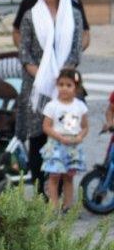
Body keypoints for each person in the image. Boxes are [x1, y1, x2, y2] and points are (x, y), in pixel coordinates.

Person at [17, 0, 83, 194]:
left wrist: (62, 78)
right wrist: (42, 75)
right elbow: (24, 51)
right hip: (37, 86)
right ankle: (39, 190)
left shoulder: (73, 16)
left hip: (65, 89)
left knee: (65, 137)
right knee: (37, 139)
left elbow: (75, 52)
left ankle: (63, 193)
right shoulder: (31, 15)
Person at [41, 68, 88, 211]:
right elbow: (46, 126)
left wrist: (80, 136)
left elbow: (85, 126)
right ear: (57, 86)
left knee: (69, 177)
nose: (64, 88)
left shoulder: (80, 106)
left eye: (69, 85)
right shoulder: (52, 106)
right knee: (54, 177)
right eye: (61, 85)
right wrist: (60, 137)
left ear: (76, 87)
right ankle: (53, 206)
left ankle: (67, 206)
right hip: (56, 145)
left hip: (72, 146)